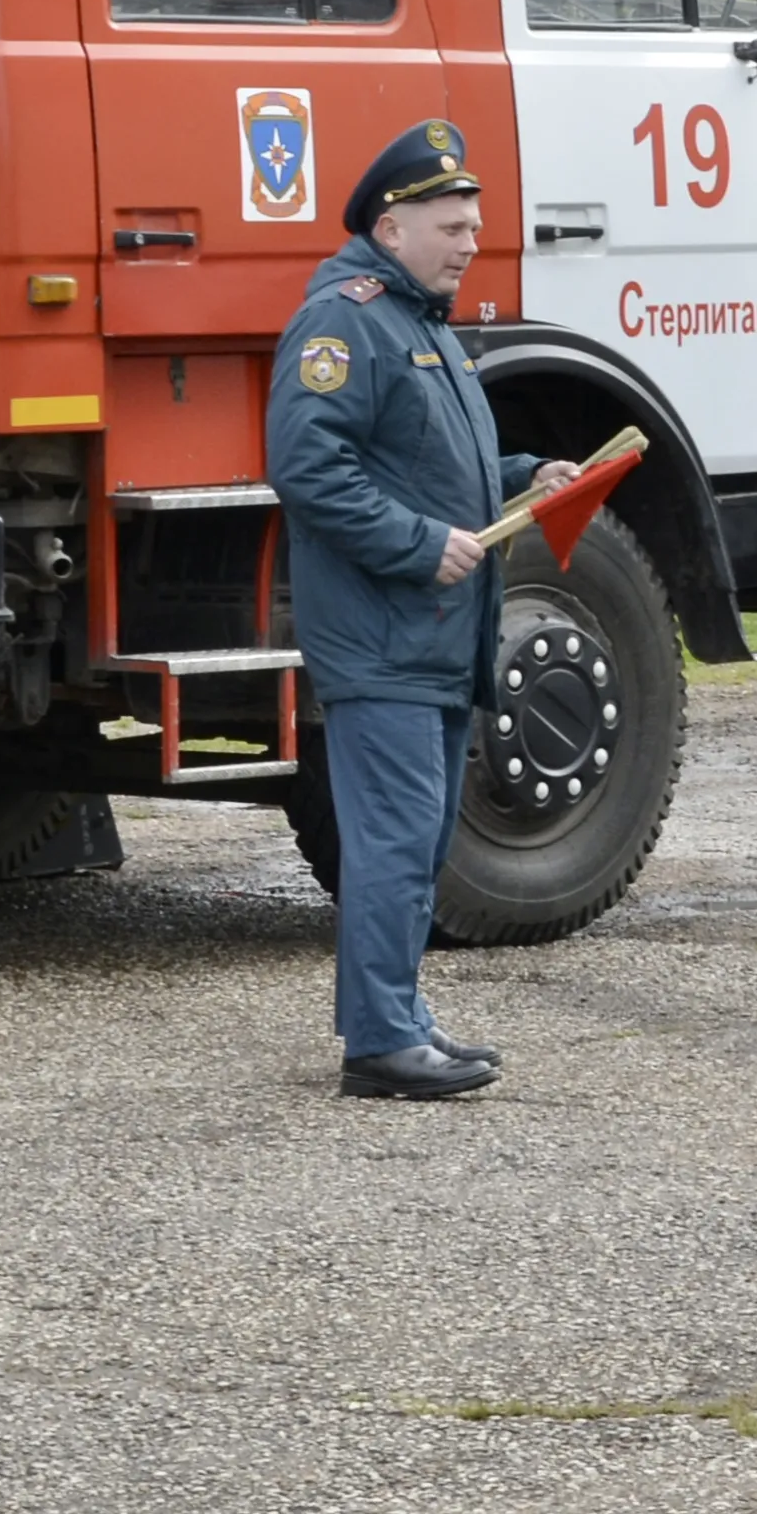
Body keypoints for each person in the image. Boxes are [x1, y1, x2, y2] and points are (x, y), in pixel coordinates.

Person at [275, 121, 586, 1098]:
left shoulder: (420, 324)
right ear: (391, 222)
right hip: (384, 633)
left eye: (474, 224)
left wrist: (531, 476)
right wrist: (418, 545)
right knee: (397, 840)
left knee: (420, 839)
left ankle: (401, 1016)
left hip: (434, 636)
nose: (468, 242)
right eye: (451, 224)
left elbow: (440, 472)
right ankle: (377, 1040)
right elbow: (308, 467)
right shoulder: (346, 323)